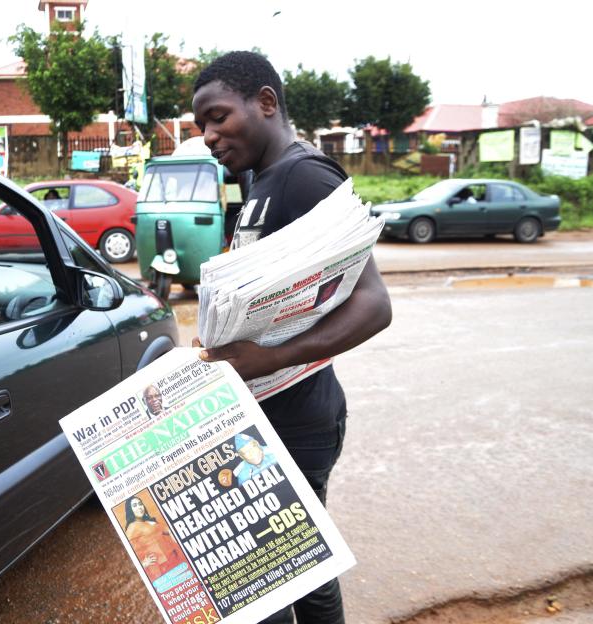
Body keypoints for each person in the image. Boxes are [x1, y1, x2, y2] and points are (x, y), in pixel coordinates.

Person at [191, 51, 392, 624]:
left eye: (219, 117)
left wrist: (271, 357)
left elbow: (374, 304)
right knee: (287, 574)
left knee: (290, 579)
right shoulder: (259, 177)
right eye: (201, 125)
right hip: (264, 413)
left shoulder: (306, 176)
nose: (208, 136)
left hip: (300, 418)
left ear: (266, 103)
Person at [123, 495, 184, 581]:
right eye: (135, 505)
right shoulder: (132, 527)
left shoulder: (148, 521)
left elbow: (166, 531)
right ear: (130, 510)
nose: (139, 507)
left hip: (174, 559)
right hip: (161, 567)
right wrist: (144, 563)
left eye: (140, 504)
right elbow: (127, 553)